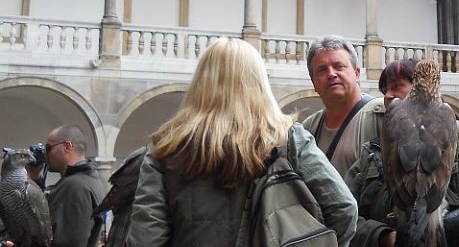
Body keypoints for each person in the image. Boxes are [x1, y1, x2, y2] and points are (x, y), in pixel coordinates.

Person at [128, 38, 357, 246]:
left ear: (201, 82)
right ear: (258, 81)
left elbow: (145, 238)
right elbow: (343, 207)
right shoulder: (287, 138)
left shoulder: (166, 147)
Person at [344, 60, 459, 247]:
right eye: (385, 90)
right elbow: (342, 215)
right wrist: (383, 237)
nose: (390, 95)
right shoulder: (371, 153)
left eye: (397, 86)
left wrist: (435, 229)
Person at [301, 35, 380, 177]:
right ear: (313, 82)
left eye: (339, 67)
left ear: (357, 73)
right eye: (322, 70)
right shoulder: (307, 130)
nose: (331, 74)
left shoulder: (381, 116)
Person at [44, 124, 107, 247]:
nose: (45, 154)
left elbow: (67, 242)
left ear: (67, 146)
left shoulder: (74, 187)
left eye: (48, 148)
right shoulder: (91, 178)